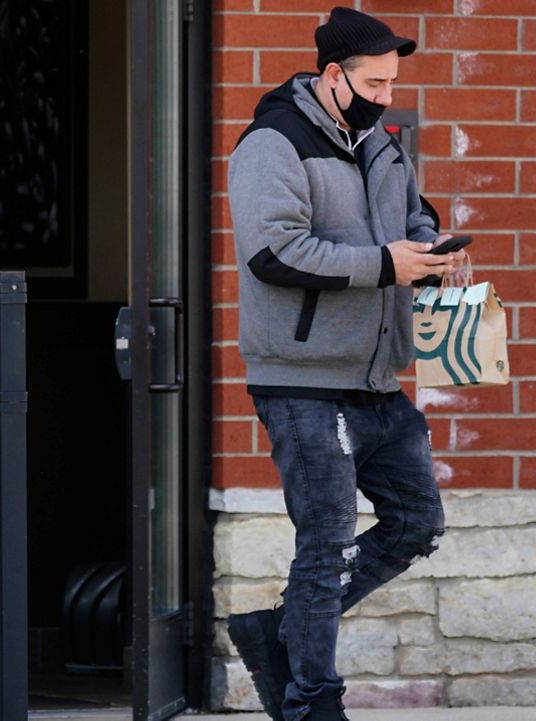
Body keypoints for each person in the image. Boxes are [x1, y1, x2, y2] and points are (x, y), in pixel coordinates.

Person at [226, 8, 467, 721]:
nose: (387, 93)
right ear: (333, 76)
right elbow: (273, 253)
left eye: (394, 81)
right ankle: (311, 700)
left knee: (416, 522)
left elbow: (411, 215)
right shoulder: (273, 143)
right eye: (374, 80)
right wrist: (383, 263)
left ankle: (283, 632)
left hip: (376, 378)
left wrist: (429, 250)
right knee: (325, 543)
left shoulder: (380, 144)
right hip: (303, 379)